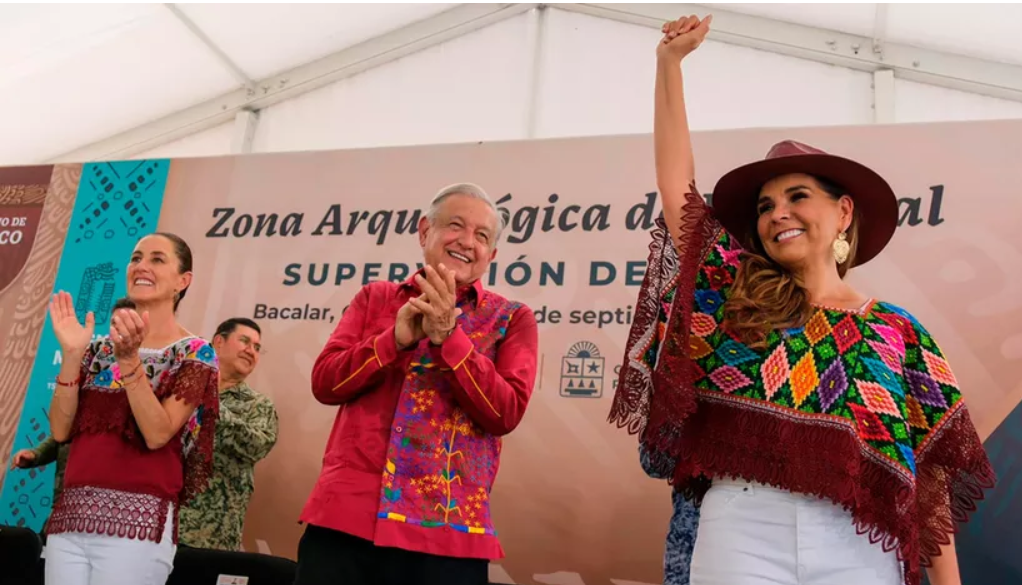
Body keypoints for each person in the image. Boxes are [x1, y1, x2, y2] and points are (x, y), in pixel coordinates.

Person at [609, 14, 995, 585]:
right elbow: (678, 194)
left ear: (843, 212)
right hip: (741, 528)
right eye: (765, 206)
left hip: (858, 541)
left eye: (797, 196)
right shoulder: (734, 293)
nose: (777, 213)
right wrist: (669, 67)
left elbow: (929, 480)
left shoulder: (896, 331)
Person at [293, 183, 540, 585]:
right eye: (455, 226)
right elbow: (325, 383)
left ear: (491, 255)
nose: (467, 242)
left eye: (482, 236)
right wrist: (395, 340)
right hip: (349, 518)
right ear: (425, 231)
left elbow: (505, 412)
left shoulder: (512, 319)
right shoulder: (376, 299)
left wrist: (449, 338)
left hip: (450, 531)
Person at [44, 233, 220, 585]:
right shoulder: (95, 350)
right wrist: (73, 356)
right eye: (136, 257)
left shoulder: (194, 353)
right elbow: (61, 431)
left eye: (157, 259)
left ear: (183, 281)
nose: (141, 266)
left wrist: (129, 361)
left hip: (136, 526)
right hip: (73, 517)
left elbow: (157, 434)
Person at [10, 297, 136, 534]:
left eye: (126, 322)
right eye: (114, 323)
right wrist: (36, 454)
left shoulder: (147, 374)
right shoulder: (91, 364)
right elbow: (66, 430)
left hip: (109, 510)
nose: (118, 329)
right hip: (65, 501)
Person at [179, 317, 278, 551]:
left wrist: (211, 404)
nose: (250, 351)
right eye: (244, 341)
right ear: (218, 342)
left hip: (212, 538)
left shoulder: (258, 405)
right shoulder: (181, 388)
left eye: (256, 347)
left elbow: (257, 446)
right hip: (159, 526)